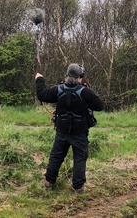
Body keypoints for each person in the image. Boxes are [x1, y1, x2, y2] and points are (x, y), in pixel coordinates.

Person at [35, 63, 104, 193]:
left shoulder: (57, 89)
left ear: (67, 76)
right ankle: (78, 187)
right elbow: (100, 106)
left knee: (56, 156)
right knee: (79, 159)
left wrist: (39, 79)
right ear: (80, 77)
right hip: (79, 133)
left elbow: (42, 94)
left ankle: (49, 182)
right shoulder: (86, 92)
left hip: (62, 132)